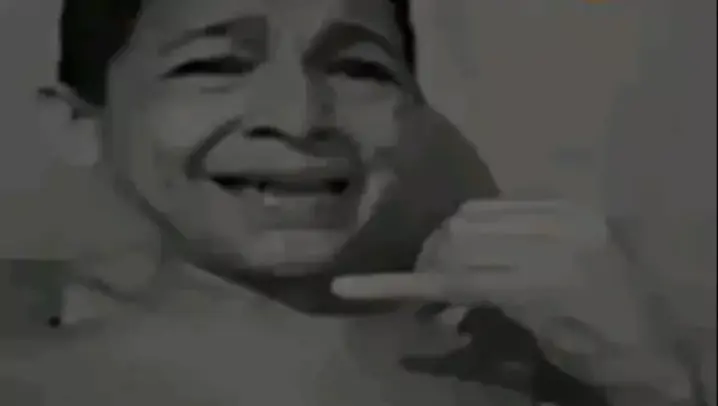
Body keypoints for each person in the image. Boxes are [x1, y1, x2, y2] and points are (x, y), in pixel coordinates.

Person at [2, 0, 705, 405]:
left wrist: (651, 380)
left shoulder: (536, 363)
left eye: (359, 68)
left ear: (415, 117)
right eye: (213, 65)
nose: (300, 118)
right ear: (78, 123)